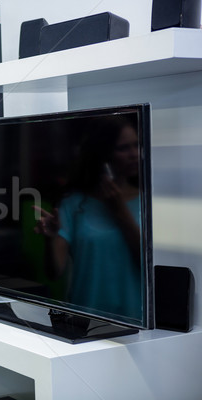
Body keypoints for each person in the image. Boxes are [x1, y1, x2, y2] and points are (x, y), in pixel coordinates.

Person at [34, 116, 142, 320]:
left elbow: (148, 265)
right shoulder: (73, 203)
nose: (135, 154)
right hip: (84, 322)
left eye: (137, 145)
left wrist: (120, 209)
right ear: (104, 156)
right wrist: (49, 239)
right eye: (123, 148)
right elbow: (54, 272)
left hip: (136, 322)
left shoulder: (149, 201)